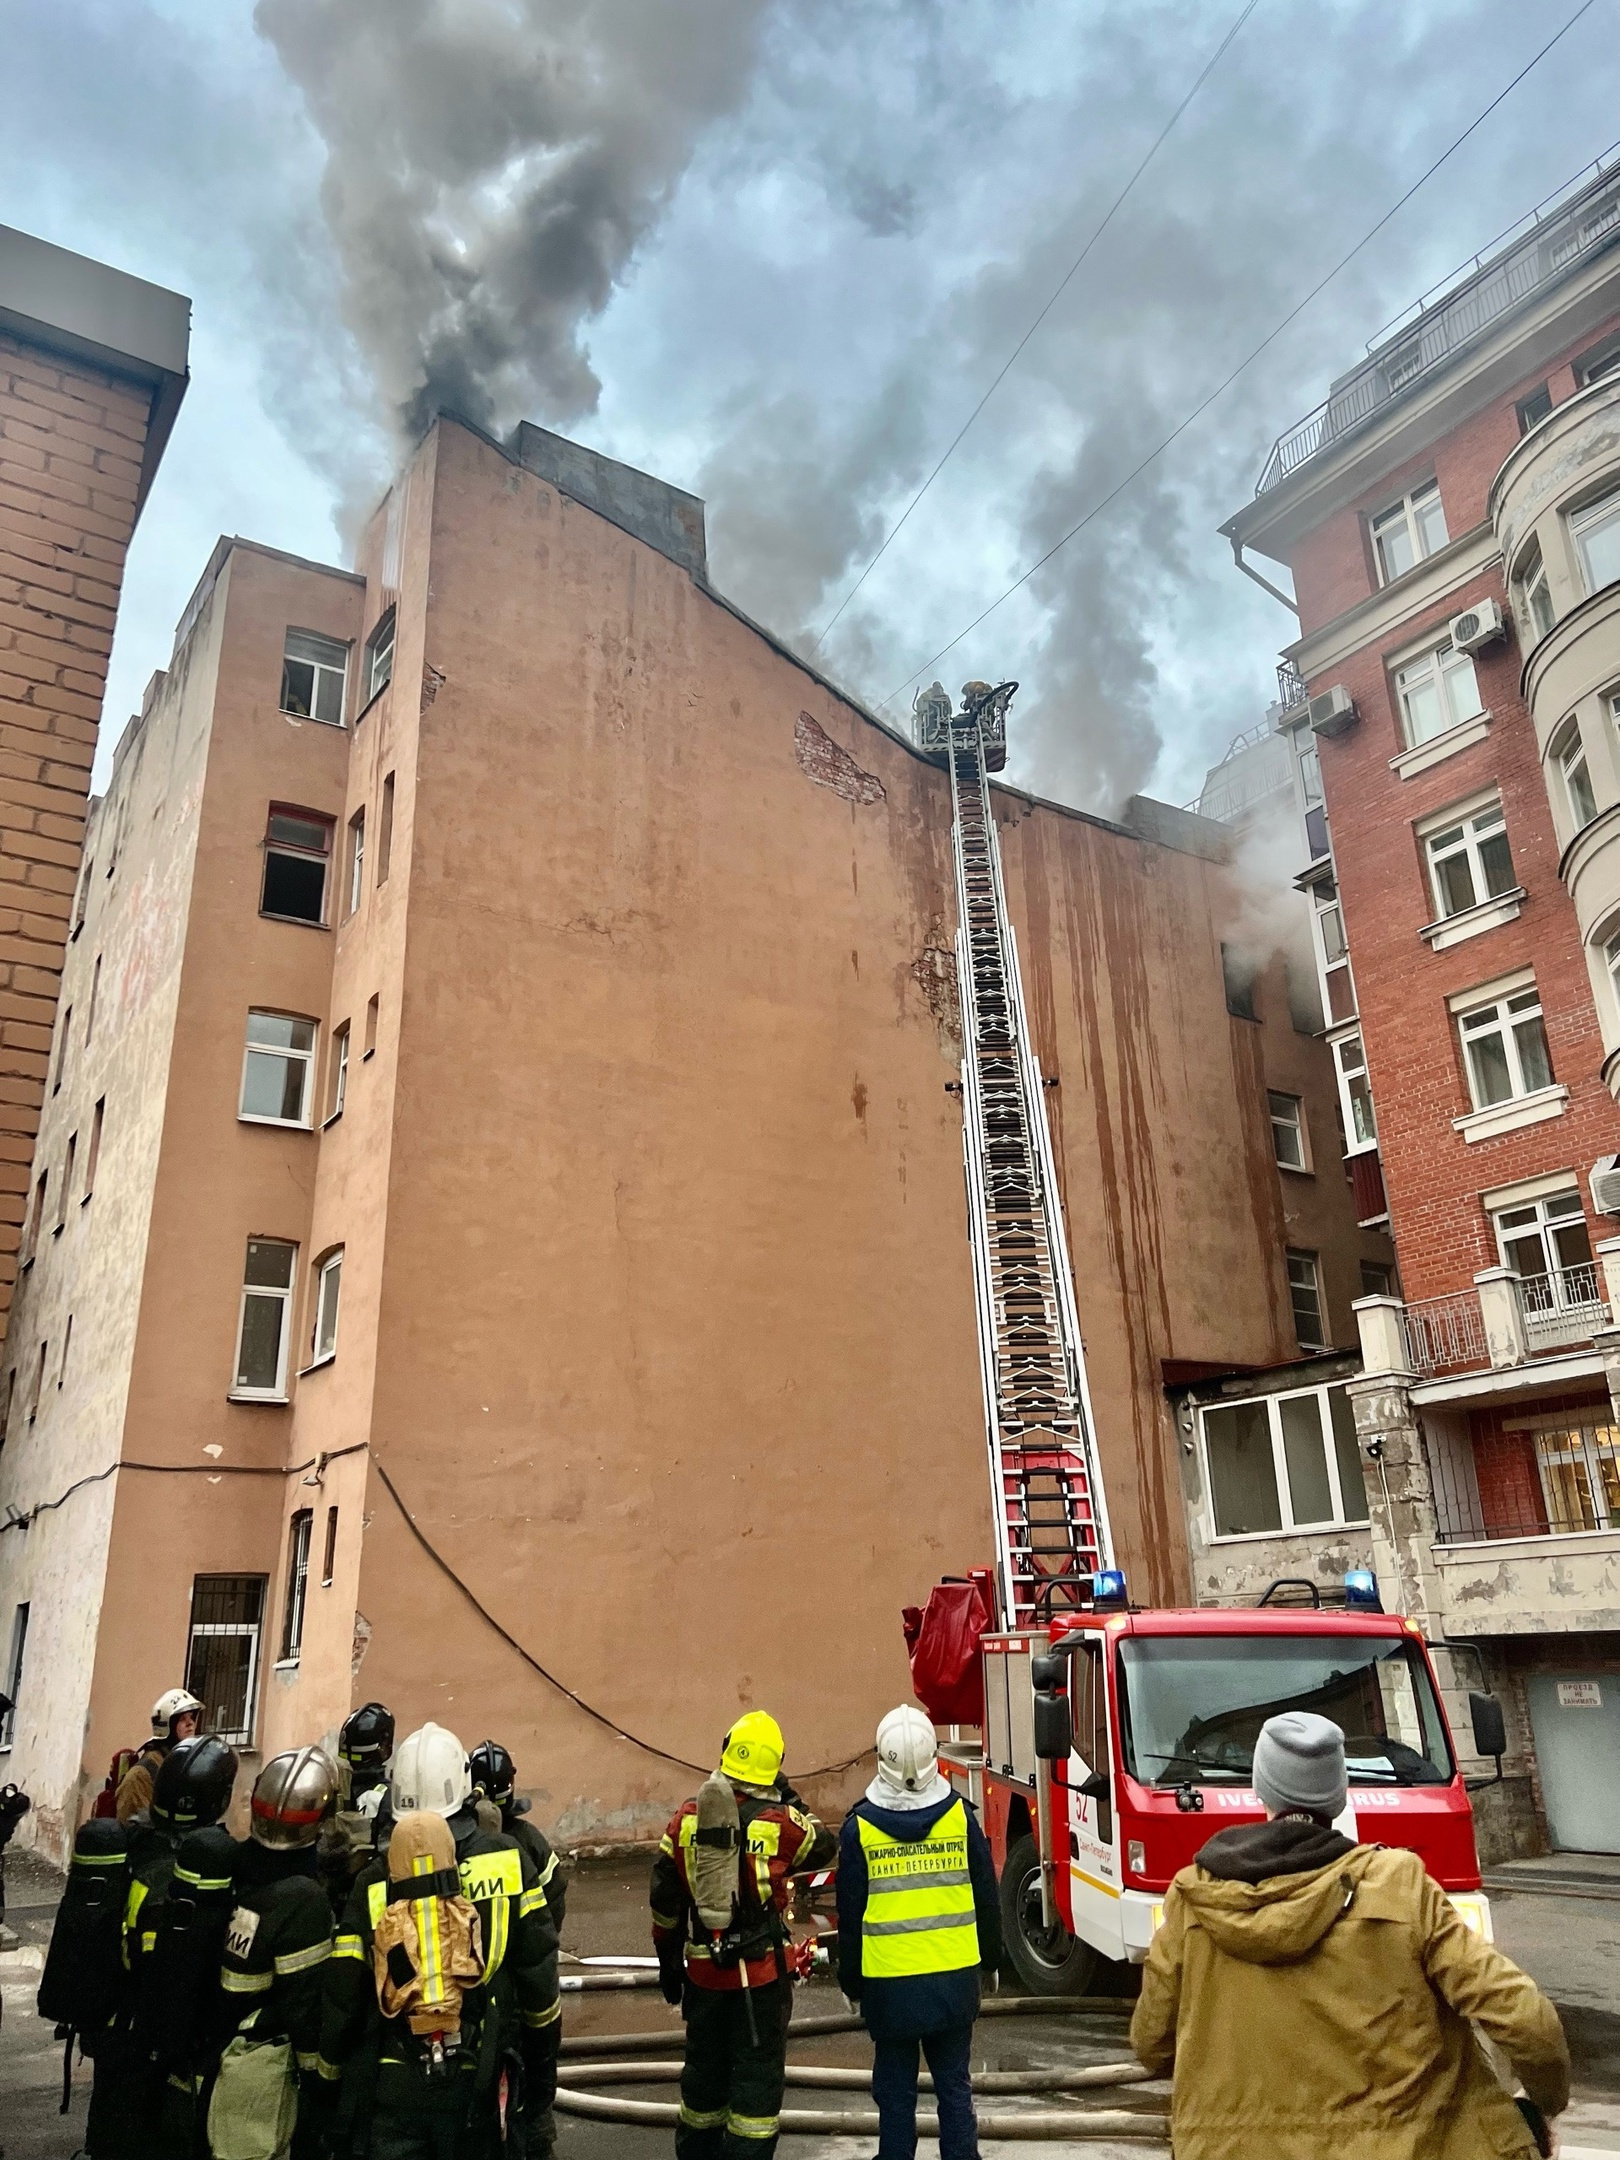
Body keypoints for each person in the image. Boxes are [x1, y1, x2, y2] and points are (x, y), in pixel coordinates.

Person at [1131, 1709, 1571, 2160]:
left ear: (1260, 1788)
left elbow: (1152, 2044)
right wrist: (1542, 2104)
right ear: (1338, 1797)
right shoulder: (1399, 1885)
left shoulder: (1192, 1899)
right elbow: (1526, 2021)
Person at [317, 1721, 561, 2160]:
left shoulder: (373, 1883)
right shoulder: (507, 1860)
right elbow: (539, 1987)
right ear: (465, 1791)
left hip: (393, 2089)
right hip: (482, 2083)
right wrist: (540, 2088)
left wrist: (329, 2084)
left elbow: (344, 2000)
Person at [649, 1711, 836, 2160]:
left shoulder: (684, 1821)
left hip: (703, 1982)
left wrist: (670, 1966)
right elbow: (825, 1845)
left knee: (702, 2090)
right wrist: (789, 1796)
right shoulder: (782, 1824)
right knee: (754, 2100)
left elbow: (664, 1905)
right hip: (760, 1985)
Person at [836, 1706, 1000, 2160]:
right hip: (954, 1983)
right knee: (954, 2091)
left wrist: (851, 1982)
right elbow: (987, 1900)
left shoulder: (860, 1829)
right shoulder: (961, 1820)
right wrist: (991, 1962)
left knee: (894, 2094)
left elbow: (849, 1921)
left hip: (889, 1990)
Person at [203, 1747, 340, 2160]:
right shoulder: (304, 1900)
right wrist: (321, 2078)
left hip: (215, 2046)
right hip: (265, 2064)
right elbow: (305, 2003)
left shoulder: (233, 1861)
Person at [467, 1740, 567, 2158]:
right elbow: (552, 1909)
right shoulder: (529, 1843)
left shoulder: (457, 1848)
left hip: (470, 2002)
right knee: (532, 2096)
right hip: (522, 1995)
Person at [318, 1702, 396, 1920]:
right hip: (368, 1909)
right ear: (383, 1747)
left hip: (328, 1903)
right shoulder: (388, 1797)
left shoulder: (328, 1788)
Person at [112, 1688, 205, 1824]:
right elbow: (135, 1832)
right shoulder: (141, 1776)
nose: (190, 1723)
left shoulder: (183, 1766)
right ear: (167, 1726)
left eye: (192, 1717)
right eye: (182, 1719)